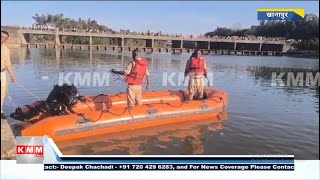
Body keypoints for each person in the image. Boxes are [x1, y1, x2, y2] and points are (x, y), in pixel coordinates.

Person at [1, 31, 16, 119]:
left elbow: (8, 64)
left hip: (2, 72)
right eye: (1, 36)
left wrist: (12, 75)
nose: (2, 38)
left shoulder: (6, 49)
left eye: (4, 38)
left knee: (2, 93)